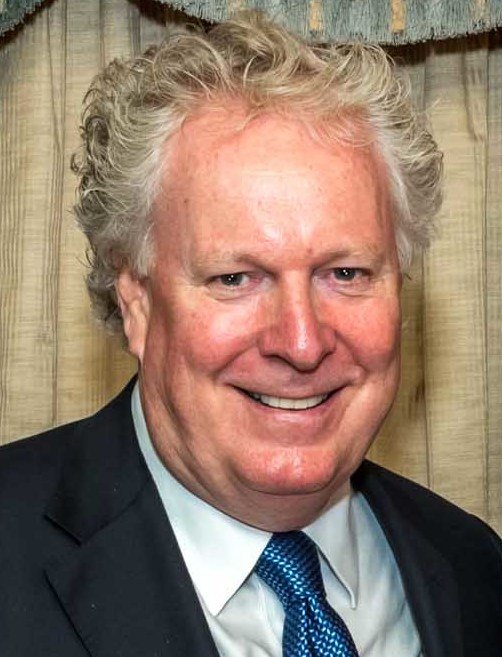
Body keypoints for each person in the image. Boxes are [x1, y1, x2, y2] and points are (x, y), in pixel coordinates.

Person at [0, 11, 500, 657]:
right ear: (136, 303)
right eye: (235, 278)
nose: (302, 343)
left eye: (346, 273)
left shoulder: (475, 569)